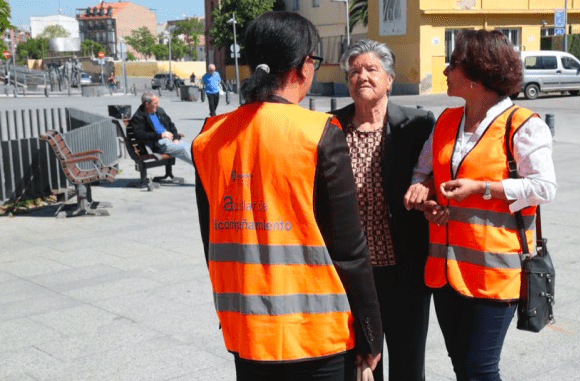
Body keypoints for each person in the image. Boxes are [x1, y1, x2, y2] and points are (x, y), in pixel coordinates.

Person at [192, 11, 382, 381]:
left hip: (247, 332)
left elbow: (211, 236)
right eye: (315, 59)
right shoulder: (318, 132)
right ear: (302, 67)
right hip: (317, 335)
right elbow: (349, 249)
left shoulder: (209, 136)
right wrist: (372, 333)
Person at [403, 29, 557, 381]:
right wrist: (424, 195)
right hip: (445, 269)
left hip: (494, 272)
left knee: (479, 369)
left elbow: (544, 187)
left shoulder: (522, 126)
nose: (445, 71)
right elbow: (424, 172)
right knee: (463, 367)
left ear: (477, 74)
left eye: (453, 63)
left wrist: (482, 187)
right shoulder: (446, 121)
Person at [330, 39, 433, 381]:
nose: (362, 76)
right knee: (360, 365)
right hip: (352, 275)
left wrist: (428, 188)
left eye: (372, 69)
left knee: (408, 363)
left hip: (405, 267)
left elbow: (435, 171)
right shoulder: (330, 129)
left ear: (390, 78)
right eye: (354, 71)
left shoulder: (416, 125)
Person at [128, 92, 192, 164]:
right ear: (147, 104)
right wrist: (160, 135)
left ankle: (203, 169)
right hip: (158, 143)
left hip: (171, 139)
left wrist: (176, 138)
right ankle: (201, 170)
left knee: (193, 147)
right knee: (183, 149)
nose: (158, 105)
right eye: (155, 103)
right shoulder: (138, 117)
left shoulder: (159, 111)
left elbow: (171, 124)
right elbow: (140, 135)